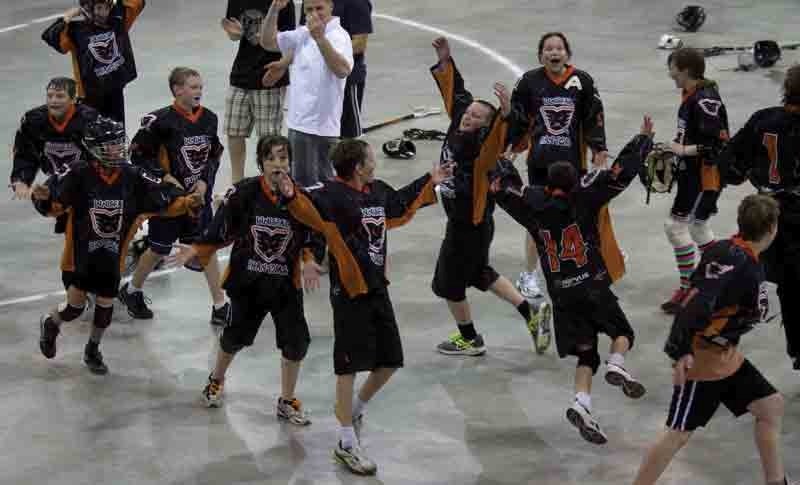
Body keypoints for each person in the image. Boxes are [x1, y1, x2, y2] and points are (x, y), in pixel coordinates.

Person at [276, 139, 453, 475]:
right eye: (371, 157)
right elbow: (305, 209)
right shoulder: (331, 195)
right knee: (348, 367)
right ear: (358, 166)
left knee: (390, 361)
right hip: (349, 292)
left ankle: (353, 409)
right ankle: (345, 443)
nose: (375, 161)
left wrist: (430, 180)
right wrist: (290, 195)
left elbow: (400, 205)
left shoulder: (376, 191)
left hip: (377, 289)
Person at [492, 115, 655, 444]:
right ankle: (618, 363)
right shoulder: (585, 197)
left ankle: (582, 404)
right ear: (574, 179)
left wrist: (502, 161)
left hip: (561, 295)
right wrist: (642, 141)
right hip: (592, 284)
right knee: (622, 333)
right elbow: (620, 174)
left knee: (585, 354)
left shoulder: (532, 206)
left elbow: (504, 190)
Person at [631, 195, 791, 485]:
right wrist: (680, 351)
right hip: (704, 363)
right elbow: (697, 303)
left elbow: (697, 291)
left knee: (770, 406)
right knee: (677, 432)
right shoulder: (744, 266)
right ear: (771, 229)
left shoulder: (722, 249)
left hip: (725, 359)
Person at [32, 117, 202, 375]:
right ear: (94, 147)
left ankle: (92, 349)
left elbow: (162, 199)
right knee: (74, 308)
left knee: (105, 311)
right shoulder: (78, 173)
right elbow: (54, 206)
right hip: (80, 257)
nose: (117, 149)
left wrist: (188, 202)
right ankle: (51, 322)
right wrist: (42, 200)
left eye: (118, 143)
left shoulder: (132, 176)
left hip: (112, 256)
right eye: (110, 145)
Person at [170, 135, 319, 425]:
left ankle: (287, 400)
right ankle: (216, 379)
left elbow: (312, 234)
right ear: (261, 162)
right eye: (271, 158)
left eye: (283, 158)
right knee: (234, 338)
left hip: (286, 286)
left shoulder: (301, 199)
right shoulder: (244, 193)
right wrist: (198, 248)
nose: (278, 164)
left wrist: (310, 260)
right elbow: (221, 229)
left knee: (296, 343)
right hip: (249, 282)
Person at [426, 37, 552, 357]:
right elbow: (456, 93)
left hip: (468, 224)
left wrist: (507, 112)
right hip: (474, 224)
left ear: (487, 126)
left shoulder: (483, 150)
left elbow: (503, 133)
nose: (469, 116)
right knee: (480, 273)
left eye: (478, 117)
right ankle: (531, 313)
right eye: (468, 113)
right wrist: (445, 60)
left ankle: (469, 338)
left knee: (447, 284)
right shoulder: (459, 121)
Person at [505, 32, 624, 306]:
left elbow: (594, 116)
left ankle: (590, 267)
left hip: (572, 166)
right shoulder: (528, 82)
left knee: (579, 219)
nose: (553, 52)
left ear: (567, 54)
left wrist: (598, 148)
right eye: (548, 48)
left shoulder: (582, 81)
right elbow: (519, 119)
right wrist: (512, 146)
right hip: (540, 164)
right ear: (540, 55)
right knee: (536, 219)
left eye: (559, 48)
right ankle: (530, 274)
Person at [117, 67, 228, 325]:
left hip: (198, 199)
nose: (199, 91)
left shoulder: (209, 118)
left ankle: (220, 305)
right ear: (178, 90)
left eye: (200, 86)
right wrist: (166, 179)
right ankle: (132, 290)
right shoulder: (159, 122)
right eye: (193, 87)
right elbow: (138, 155)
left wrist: (204, 182)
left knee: (206, 248)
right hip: (169, 201)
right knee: (158, 248)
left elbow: (213, 154)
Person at [716, 64, 800, 371]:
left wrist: (749, 175)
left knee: (781, 282)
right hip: (795, 216)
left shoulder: (763, 119)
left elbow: (729, 162)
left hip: (766, 212)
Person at [660, 47, 730, 314]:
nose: (670, 74)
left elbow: (714, 145)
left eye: (673, 68)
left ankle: (689, 287)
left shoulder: (704, 100)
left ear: (685, 70)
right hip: (694, 173)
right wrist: (673, 148)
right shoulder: (692, 93)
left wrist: (680, 150)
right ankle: (720, 278)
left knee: (676, 227)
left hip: (705, 175)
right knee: (698, 228)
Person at [259, 0, 353, 187]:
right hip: (299, 124)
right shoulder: (303, 33)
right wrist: (274, 10)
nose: (314, 14)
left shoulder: (339, 36)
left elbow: (343, 70)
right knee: (302, 187)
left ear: (331, 7)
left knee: (318, 188)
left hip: (319, 128)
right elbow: (268, 42)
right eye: (309, 10)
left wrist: (320, 39)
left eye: (319, 9)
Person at [10, 77, 99, 233]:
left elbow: (101, 156)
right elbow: (25, 153)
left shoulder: (89, 120)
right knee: (44, 202)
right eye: (50, 96)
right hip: (57, 182)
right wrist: (21, 179)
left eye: (60, 96)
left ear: (73, 99)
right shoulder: (33, 121)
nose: (54, 101)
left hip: (87, 182)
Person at [221, 0, 296, 183]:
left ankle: (271, 182)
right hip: (241, 73)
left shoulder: (283, 3)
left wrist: (267, 39)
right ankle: (237, 182)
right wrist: (235, 34)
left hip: (269, 76)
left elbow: (291, 41)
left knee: (268, 136)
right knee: (234, 131)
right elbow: (234, 32)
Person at [42, 0, 145, 125]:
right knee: (92, 136)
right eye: (99, 8)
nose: (104, 13)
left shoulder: (118, 20)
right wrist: (66, 18)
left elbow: (137, 3)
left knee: (116, 133)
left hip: (114, 91)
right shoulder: (76, 32)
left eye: (107, 7)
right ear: (87, 9)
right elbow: (50, 36)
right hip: (90, 95)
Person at [295, 0, 373, 138]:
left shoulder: (357, 3)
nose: (314, 12)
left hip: (348, 80)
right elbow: (304, 36)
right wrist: (284, 63)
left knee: (349, 134)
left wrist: (326, 54)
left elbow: (360, 43)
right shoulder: (311, 2)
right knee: (318, 131)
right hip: (316, 81)